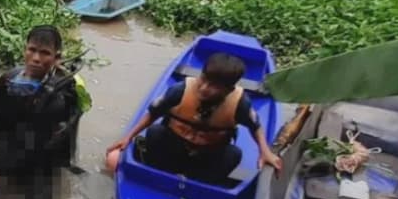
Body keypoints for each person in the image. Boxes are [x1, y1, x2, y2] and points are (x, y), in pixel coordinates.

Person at [105, 53, 282, 184]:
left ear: (228, 90)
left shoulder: (240, 104)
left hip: (209, 153)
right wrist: (127, 137)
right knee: (155, 132)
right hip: (174, 144)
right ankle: (160, 175)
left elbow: (255, 126)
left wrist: (265, 152)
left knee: (234, 155)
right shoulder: (180, 90)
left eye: (214, 86)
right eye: (204, 79)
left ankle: (200, 184)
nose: (204, 88)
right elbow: (153, 114)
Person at [0, 26, 92, 199]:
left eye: (45, 53)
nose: (36, 59)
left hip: (42, 159)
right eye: (32, 50)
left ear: (57, 58)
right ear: (24, 50)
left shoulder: (64, 91)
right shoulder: (8, 79)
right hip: (10, 147)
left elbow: (66, 135)